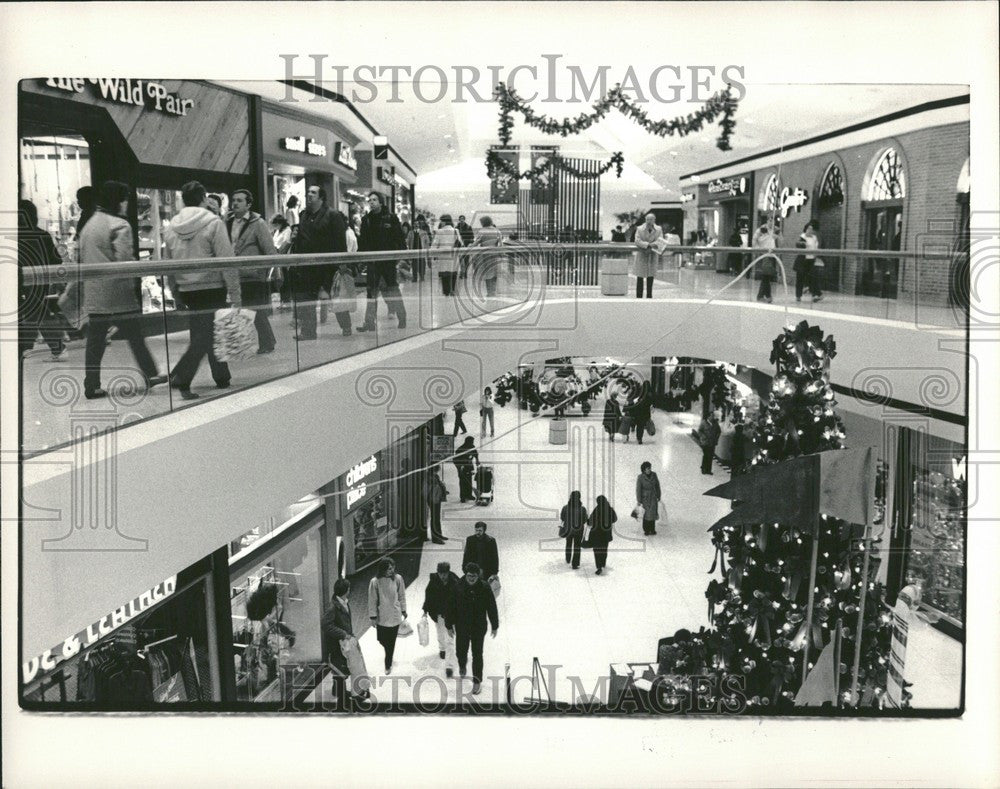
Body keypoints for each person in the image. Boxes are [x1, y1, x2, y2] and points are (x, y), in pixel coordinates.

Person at [78, 181, 168, 400]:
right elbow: (123, 261)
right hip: (117, 291)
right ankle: (150, 374)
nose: (127, 203)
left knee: (96, 340)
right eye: (126, 199)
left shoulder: (89, 224)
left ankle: (92, 384)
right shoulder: (120, 225)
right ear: (118, 200)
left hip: (94, 290)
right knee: (135, 335)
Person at [163, 180, 240, 400]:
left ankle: (221, 376)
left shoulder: (171, 227)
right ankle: (181, 375)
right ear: (204, 198)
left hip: (187, 288)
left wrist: (175, 292)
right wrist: (235, 293)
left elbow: (168, 264)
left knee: (204, 331)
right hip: (211, 286)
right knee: (207, 335)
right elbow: (227, 260)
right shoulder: (213, 223)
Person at [290, 185, 348, 339]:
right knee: (307, 300)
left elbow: (340, 242)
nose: (309, 195)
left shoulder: (333, 215)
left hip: (327, 266)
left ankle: (346, 325)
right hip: (307, 266)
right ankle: (308, 332)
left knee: (334, 296)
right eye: (308, 192)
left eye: (313, 192)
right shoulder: (304, 215)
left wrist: (341, 264)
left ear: (321, 197)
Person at [228, 189, 278, 355]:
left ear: (248, 204)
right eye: (234, 200)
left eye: (239, 200)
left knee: (255, 309)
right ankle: (245, 343)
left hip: (253, 275)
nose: (235, 203)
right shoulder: (227, 222)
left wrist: (265, 272)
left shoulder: (258, 223)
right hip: (234, 275)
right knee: (241, 309)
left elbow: (270, 250)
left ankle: (267, 341)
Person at [17, 199, 67, 361]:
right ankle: (54, 346)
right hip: (40, 281)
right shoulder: (42, 234)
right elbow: (56, 260)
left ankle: (28, 347)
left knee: (33, 312)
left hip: (21, 281)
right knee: (37, 312)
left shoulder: (13, 236)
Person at [357, 191, 407, 332]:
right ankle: (369, 322)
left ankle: (402, 316)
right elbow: (363, 241)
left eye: (374, 200)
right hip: (373, 261)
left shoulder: (391, 218)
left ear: (380, 202)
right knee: (371, 292)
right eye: (370, 200)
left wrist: (400, 257)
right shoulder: (366, 219)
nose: (371, 202)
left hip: (387, 261)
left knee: (393, 288)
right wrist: (361, 258)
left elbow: (399, 238)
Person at [451, 561, 499, 694]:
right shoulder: (458, 586)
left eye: (474, 576)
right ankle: (462, 664)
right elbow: (451, 606)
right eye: (469, 576)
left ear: (478, 576)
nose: (471, 578)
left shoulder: (484, 587)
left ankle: (477, 681)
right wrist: (449, 625)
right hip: (462, 626)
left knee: (477, 654)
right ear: (465, 574)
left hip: (478, 627)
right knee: (461, 650)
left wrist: (494, 625)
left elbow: (491, 606)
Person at [321, 578, 368, 699]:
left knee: (342, 667)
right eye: (349, 589)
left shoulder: (343, 602)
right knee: (339, 668)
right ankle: (339, 693)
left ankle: (337, 690)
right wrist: (343, 634)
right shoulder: (333, 607)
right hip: (337, 643)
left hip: (344, 642)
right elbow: (326, 625)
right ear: (346, 591)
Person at [368, 557, 407, 675]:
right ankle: (388, 652)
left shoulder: (398, 579)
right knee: (381, 639)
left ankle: (388, 663)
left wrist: (404, 610)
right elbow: (372, 599)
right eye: (389, 568)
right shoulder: (375, 581)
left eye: (392, 568)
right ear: (383, 569)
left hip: (395, 615)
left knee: (391, 641)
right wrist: (373, 617)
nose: (392, 570)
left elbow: (402, 596)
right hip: (382, 616)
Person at [422, 561, 460, 676]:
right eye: (440, 573)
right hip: (438, 614)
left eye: (445, 573)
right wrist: (425, 611)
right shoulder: (433, 582)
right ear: (437, 572)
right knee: (440, 634)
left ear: (448, 572)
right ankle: (441, 648)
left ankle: (449, 665)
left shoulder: (455, 582)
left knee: (450, 640)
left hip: (451, 616)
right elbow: (428, 597)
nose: (443, 576)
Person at [467, 216, 504, 297]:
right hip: (495, 253)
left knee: (487, 273)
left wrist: (469, 247)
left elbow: (476, 242)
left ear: (483, 223)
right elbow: (501, 244)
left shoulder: (482, 231)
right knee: (494, 273)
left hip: (485, 254)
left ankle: (489, 292)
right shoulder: (497, 231)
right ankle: (493, 291)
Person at [431, 214, 462, 296]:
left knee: (444, 274)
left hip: (443, 255)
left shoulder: (439, 231)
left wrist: (433, 253)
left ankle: (446, 292)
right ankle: (453, 290)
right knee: (453, 273)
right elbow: (460, 243)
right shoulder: (456, 231)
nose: (441, 222)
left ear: (444, 221)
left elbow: (435, 244)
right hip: (453, 255)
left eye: (441, 221)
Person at [634, 212, 662, 298]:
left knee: (650, 276)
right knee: (640, 277)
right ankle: (639, 297)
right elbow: (637, 240)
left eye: (651, 219)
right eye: (647, 219)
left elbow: (660, 240)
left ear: (654, 220)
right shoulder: (639, 229)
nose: (649, 221)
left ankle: (649, 296)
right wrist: (647, 245)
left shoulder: (659, 229)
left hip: (652, 255)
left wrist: (652, 245)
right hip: (642, 254)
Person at [586, 494, 617, 575]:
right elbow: (615, 519)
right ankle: (603, 563)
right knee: (604, 549)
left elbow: (590, 522)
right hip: (606, 534)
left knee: (597, 550)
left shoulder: (597, 510)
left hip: (596, 534)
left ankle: (599, 566)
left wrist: (588, 520)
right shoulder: (610, 509)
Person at [794, 220, 823, 303]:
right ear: (805, 229)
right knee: (800, 279)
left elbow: (816, 247)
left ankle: (816, 295)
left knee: (812, 278)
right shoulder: (802, 237)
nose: (810, 230)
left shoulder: (814, 238)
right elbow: (798, 244)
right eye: (808, 229)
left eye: (812, 229)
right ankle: (798, 295)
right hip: (802, 261)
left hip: (811, 260)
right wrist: (802, 244)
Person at [560, 490, 589, 569]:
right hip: (579, 530)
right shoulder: (582, 509)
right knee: (577, 546)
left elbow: (562, 517)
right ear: (579, 498)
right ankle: (575, 564)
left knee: (568, 544)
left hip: (568, 530)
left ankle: (568, 558)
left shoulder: (565, 507)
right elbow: (585, 520)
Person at [753, 220, 779, 303]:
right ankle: (763, 296)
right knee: (766, 275)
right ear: (767, 221)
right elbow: (754, 240)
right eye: (770, 221)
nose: (772, 223)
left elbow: (780, 241)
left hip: (772, 255)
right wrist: (758, 250)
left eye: (773, 221)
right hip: (764, 254)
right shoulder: (761, 230)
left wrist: (778, 233)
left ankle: (767, 296)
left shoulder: (774, 231)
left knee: (766, 276)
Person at [635, 461, 662, 535]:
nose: (649, 470)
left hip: (653, 497)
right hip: (645, 498)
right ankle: (646, 530)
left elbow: (657, 486)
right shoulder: (640, 477)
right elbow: (638, 489)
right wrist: (639, 500)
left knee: (653, 514)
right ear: (644, 469)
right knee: (646, 514)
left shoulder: (654, 475)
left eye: (650, 468)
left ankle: (652, 529)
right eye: (647, 468)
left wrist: (658, 495)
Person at [423, 466, 448, 543]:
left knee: (436, 518)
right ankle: (436, 538)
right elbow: (427, 490)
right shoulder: (429, 478)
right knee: (435, 518)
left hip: (436, 499)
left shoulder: (433, 476)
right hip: (433, 499)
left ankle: (438, 535)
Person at [453, 436, 479, 503]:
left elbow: (476, 454)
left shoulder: (472, 447)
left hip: (469, 466)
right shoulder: (460, 449)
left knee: (469, 480)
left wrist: (477, 460)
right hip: (462, 468)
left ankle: (469, 495)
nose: (473, 443)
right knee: (462, 482)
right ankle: (463, 497)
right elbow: (455, 460)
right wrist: (460, 467)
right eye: (472, 442)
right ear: (468, 441)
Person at [413, 216, 431, 282]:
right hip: (415, 247)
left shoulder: (426, 228)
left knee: (422, 261)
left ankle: (422, 275)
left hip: (422, 246)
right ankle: (415, 276)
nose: (420, 222)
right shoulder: (414, 230)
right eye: (419, 221)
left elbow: (428, 239)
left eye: (421, 220)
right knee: (415, 262)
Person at [456, 214, 475, 278]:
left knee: (466, 259)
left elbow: (472, 236)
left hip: (466, 245)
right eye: (460, 219)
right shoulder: (456, 228)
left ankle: (465, 273)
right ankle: (462, 272)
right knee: (461, 260)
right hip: (459, 246)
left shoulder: (468, 227)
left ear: (464, 220)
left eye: (462, 219)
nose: (461, 220)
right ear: (459, 220)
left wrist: (470, 243)